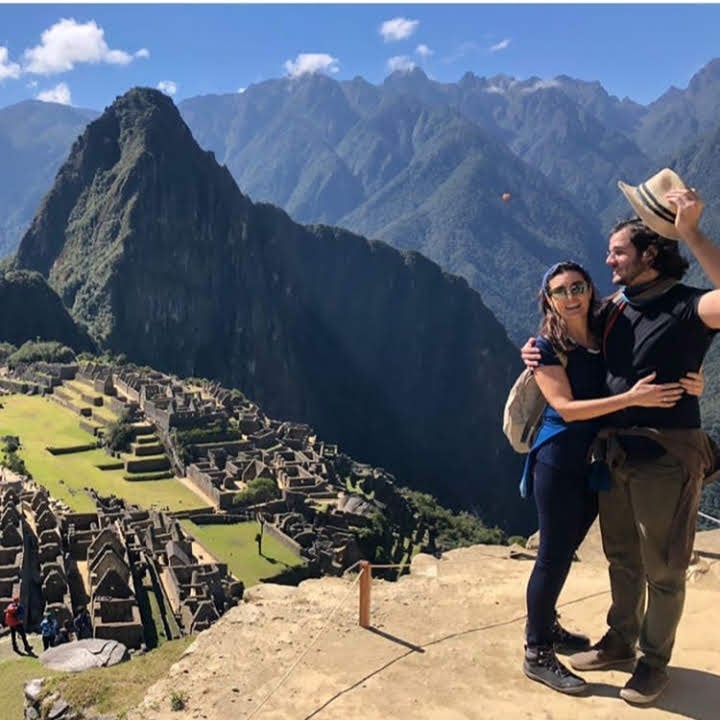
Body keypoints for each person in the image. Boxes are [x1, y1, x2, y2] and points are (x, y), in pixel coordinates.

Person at [521, 169, 720, 704]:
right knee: (622, 558)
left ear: (650, 254)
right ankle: (620, 641)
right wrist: (536, 351)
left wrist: (694, 233)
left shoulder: (688, 306)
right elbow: (567, 317)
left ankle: (654, 663)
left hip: (663, 453)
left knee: (665, 565)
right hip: (612, 453)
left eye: (617, 253)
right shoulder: (617, 307)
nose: (607, 262)